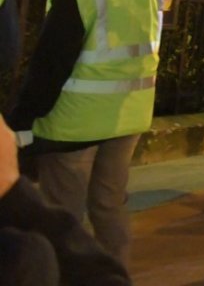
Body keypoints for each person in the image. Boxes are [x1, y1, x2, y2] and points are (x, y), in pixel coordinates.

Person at [5, 0, 161, 267]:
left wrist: (22, 118)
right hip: (128, 119)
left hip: (75, 124)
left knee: (64, 214)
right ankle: (113, 275)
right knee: (110, 205)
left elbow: (49, 67)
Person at [0, 114, 131, 286]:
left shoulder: (21, 256)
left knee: (68, 201)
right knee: (109, 205)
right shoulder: (24, 256)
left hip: (70, 129)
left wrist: (22, 116)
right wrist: (12, 189)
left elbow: (45, 88)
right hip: (125, 123)